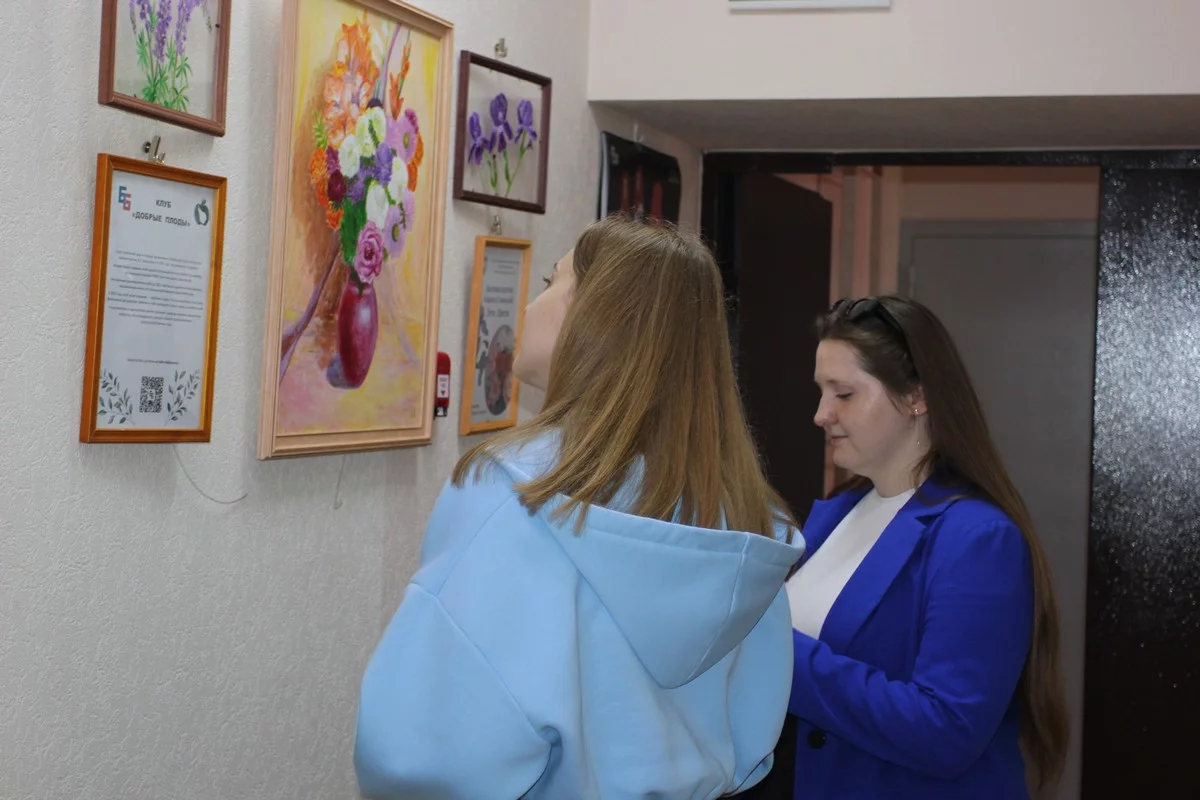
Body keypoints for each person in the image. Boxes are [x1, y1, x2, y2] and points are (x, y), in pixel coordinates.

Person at [352, 216, 805, 799]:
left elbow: (418, 752)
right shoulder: (740, 516)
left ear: (594, 315)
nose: (531, 303)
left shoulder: (515, 491)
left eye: (551, 280)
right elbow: (754, 719)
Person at [775, 296, 1069, 798]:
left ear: (916, 397)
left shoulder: (979, 539)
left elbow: (948, 730)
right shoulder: (837, 513)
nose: (821, 414)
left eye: (844, 394)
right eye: (821, 392)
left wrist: (780, 654)